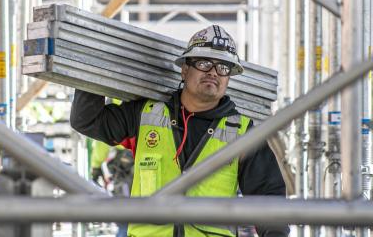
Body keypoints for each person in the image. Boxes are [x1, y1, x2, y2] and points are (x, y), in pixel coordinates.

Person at [71, 25, 289, 237]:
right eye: (204, 63)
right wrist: (95, 62)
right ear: (185, 69)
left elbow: (268, 196)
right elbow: (87, 120)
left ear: (228, 79)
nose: (213, 72)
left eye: (223, 67)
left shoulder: (242, 133)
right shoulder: (145, 114)